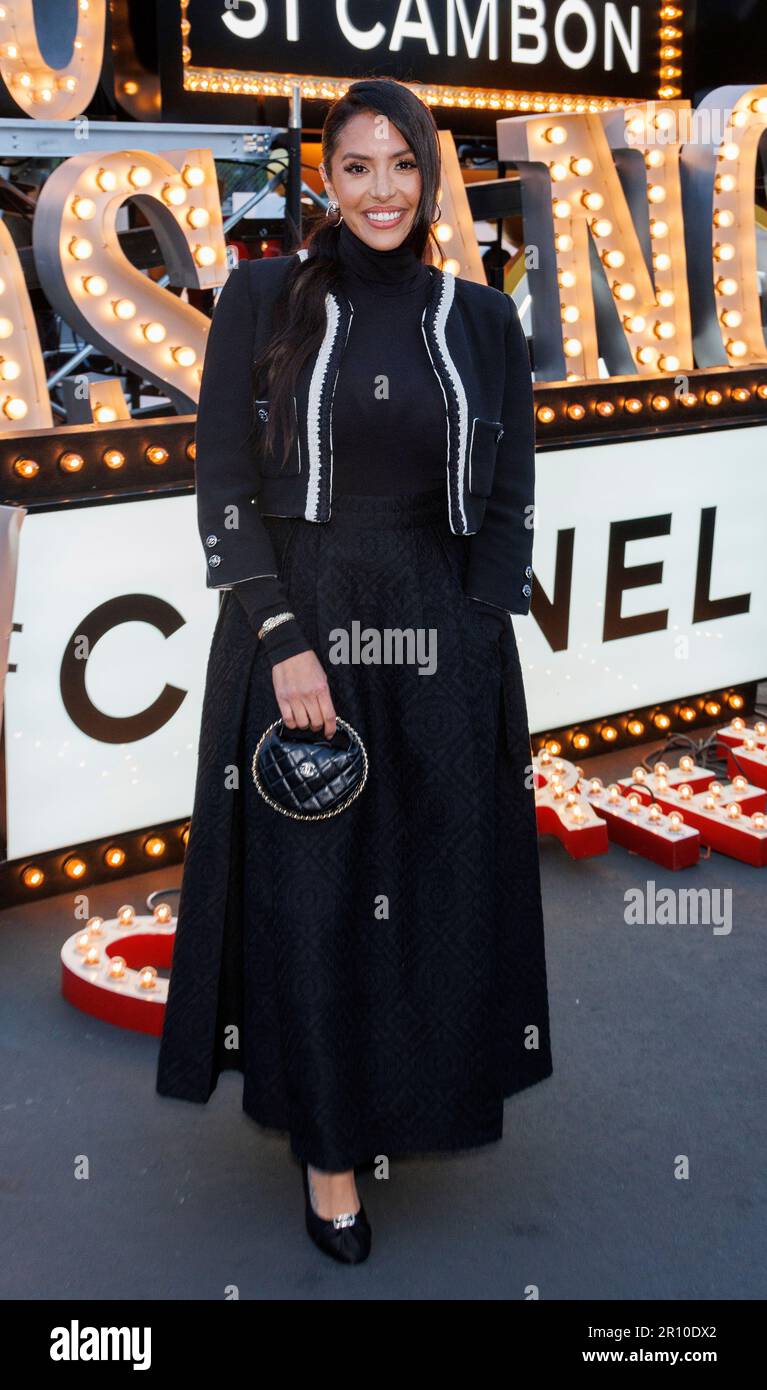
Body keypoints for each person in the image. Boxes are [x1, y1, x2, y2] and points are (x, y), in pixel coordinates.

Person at [156, 76, 553, 1265]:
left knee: (427, 891)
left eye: (401, 165)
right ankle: (329, 1158)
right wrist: (282, 640)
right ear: (324, 180)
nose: (380, 190)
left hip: (439, 638)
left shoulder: (480, 324)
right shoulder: (262, 297)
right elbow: (223, 487)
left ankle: (399, 1100)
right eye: (355, 167)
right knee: (312, 902)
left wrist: (478, 646)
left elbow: (509, 502)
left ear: (430, 176)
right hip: (303, 634)